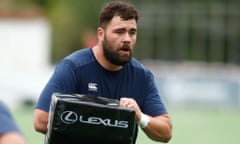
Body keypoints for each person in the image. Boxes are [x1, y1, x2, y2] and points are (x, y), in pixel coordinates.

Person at [34, 1, 172, 143]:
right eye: (119, 32)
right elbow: (41, 120)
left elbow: (166, 131)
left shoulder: (142, 76)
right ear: (101, 34)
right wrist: (102, 123)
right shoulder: (73, 67)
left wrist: (139, 117)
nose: (127, 39)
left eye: (132, 32)